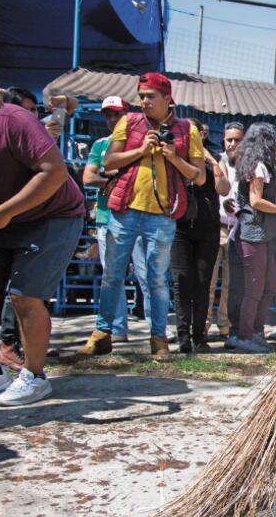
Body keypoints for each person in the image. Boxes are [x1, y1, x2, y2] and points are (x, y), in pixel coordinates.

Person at [78, 72, 206, 357]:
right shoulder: (129, 122)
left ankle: (158, 338)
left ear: (168, 98)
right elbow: (109, 163)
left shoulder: (187, 130)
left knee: (156, 278)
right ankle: (102, 334)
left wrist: (173, 156)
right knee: (112, 274)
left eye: (151, 96)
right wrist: (141, 149)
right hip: (124, 211)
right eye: (142, 96)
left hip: (162, 216)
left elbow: (199, 177)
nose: (144, 101)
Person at [0, 88, 85, 405]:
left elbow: (54, 173)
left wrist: (6, 212)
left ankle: (35, 376)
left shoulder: (12, 119)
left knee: (24, 296)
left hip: (52, 215)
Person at [232, 123, 276, 353]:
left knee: (269, 286)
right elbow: (256, 201)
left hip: (268, 234)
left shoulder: (268, 167)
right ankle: (245, 335)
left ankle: (257, 332)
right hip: (253, 233)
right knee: (254, 288)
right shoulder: (257, 167)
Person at [81, 96, 141, 343]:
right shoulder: (100, 145)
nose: (112, 119)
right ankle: (117, 328)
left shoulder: (140, 144)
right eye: (108, 115)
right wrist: (116, 180)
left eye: (117, 114)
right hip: (108, 218)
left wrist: (111, 175)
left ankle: (156, 331)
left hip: (140, 216)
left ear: (127, 115)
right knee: (112, 275)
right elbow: (88, 178)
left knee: (149, 274)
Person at [170, 118, 228, 353]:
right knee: (182, 281)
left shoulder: (214, 157)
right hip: (180, 226)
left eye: (198, 132)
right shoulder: (174, 155)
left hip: (208, 226)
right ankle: (183, 336)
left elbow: (224, 188)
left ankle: (199, 337)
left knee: (204, 283)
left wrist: (211, 160)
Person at [212, 123, 244, 347]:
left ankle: (225, 327)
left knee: (231, 284)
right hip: (217, 227)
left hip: (239, 229)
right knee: (208, 282)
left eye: (237, 140)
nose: (232, 144)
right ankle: (202, 327)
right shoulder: (216, 161)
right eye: (229, 139)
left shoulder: (250, 165)